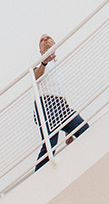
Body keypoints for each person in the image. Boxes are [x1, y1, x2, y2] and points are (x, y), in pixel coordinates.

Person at [33, 34, 88, 170]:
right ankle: (39, 175)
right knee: (50, 143)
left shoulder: (57, 65)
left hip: (62, 105)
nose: (45, 40)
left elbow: (59, 91)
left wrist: (68, 131)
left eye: (48, 38)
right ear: (40, 50)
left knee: (83, 128)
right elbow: (35, 76)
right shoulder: (37, 59)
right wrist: (44, 61)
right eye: (42, 40)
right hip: (46, 103)